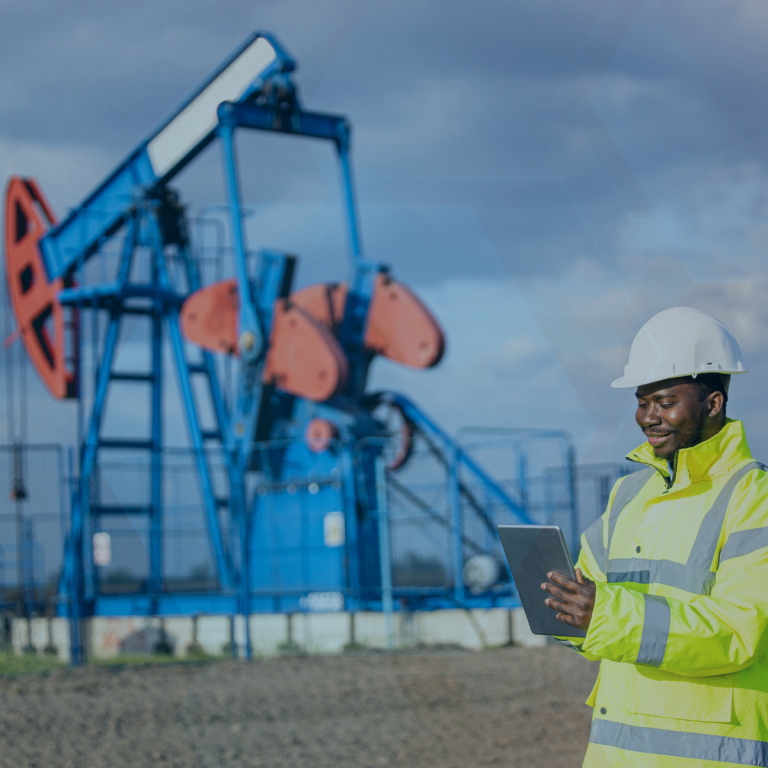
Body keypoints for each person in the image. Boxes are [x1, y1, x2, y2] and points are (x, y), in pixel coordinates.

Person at [541, 306, 768, 767]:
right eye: (642, 402)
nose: (648, 417)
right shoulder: (628, 495)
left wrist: (602, 614)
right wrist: (563, 610)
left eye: (664, 402)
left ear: (713, 403)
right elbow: (592, 604)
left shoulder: (753, 495)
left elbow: (738, 630)